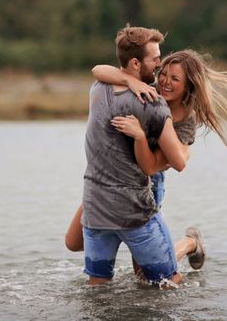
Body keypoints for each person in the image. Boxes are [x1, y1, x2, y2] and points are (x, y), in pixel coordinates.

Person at [66, 47, 227, 281]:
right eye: (164, 74)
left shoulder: (184, 118)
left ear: (188, 85)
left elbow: (163, 164)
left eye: (175, 79)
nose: (165, 82)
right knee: (73, 242)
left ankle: (190, 243)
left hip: (145, 183)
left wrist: (153, 141)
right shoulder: (150, 90)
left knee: (146, 276)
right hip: (108, 179)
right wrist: (131, 80)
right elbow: (99, 70)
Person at [77, 25, 191, 287]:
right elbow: (179, 162)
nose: (159, 64)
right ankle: (190, 244)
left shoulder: (97, 88)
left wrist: (128, 79)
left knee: (97, 288)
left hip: (95, 210)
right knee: (169, 284)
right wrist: (185, 147)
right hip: (133, 212)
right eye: (155, 59)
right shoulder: (153, 103)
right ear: (136, 62)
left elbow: (99, 69)